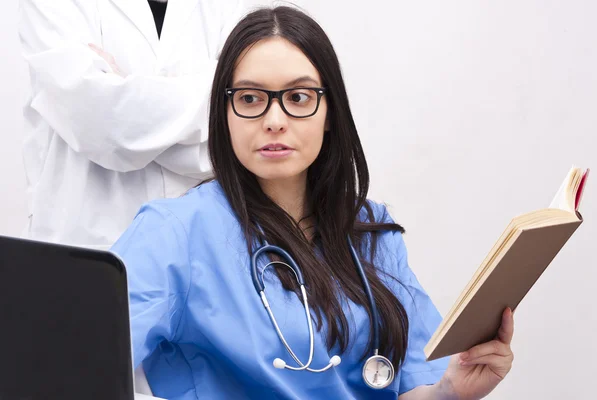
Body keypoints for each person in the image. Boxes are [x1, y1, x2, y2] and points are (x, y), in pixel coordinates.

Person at [111, 6, 515, 400]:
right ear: (224, 113)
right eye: (250, 99)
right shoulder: (172, 234)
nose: (274, 119)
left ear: (329, 112)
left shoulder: (370, 229)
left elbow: (411, 383)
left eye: (298, 97)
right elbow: (76, 359)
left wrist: (451, 390)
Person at [18, 0, 243, 250]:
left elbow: (249, 124)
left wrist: (125, 94)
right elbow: (103, 124)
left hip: (209, 242)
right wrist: (215, 97)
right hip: (89, 245)